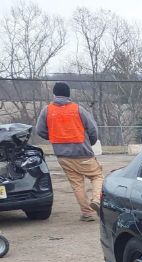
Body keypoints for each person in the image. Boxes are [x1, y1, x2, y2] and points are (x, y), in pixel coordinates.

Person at [35, 82, 103, 222]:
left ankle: (87, 213)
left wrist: (53, 136)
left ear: (54, 94)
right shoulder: (78, 109)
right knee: (97, 176)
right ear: (68, 94)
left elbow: (40, 130)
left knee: (77, 183)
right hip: (83, 152)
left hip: (62, 155)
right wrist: (91, 141)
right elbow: (93, 130)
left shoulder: (47, 110)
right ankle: (96, 199)